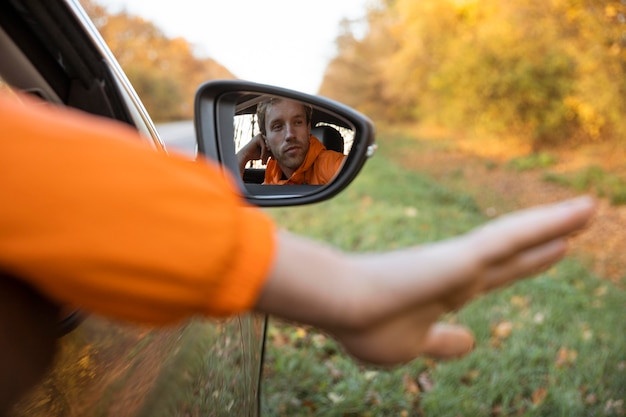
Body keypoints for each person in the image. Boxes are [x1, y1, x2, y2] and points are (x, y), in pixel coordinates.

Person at [0, 90, 596, 409]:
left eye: (299, 126)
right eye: (276, 127)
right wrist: (338, 288)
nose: (289, 137)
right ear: (262, 133)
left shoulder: (324, 164)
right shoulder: (248, 167)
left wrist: (342, 290)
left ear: (313, 132)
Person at [236, 97, 345, 184]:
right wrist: (243, 155)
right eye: (278, 126)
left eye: (298, 122)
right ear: (266, 140)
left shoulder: (331, 165)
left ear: (308, 129)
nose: (290, 135)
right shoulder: (271, 182)